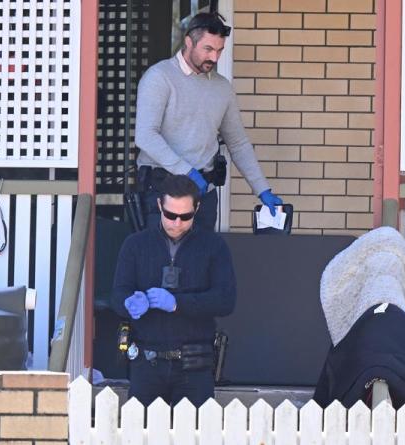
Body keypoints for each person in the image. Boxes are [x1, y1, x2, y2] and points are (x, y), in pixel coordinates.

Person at [134, 11, 283, 230]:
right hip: (162, 193)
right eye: (208, 49)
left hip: (204, 197)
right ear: (188, 42)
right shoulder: (159, 77)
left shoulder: (222, 88)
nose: (214, 58)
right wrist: (187, 171)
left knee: (202, 262)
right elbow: (145, 136)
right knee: (161, 263)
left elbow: (238, 143)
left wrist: (262, 189)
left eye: (219, 50)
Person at [111, 174, 236, 406]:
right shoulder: (135, 245)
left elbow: (226, 300)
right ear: (159, 205)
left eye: (185, 216)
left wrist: (178, 303)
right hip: (146, 361)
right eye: (170, 215)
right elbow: (118, 294)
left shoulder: (214, 246)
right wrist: (130, 303)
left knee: (194, 438)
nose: (177, 222)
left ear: (197, 209)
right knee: (142, 435)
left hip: (195, 363)